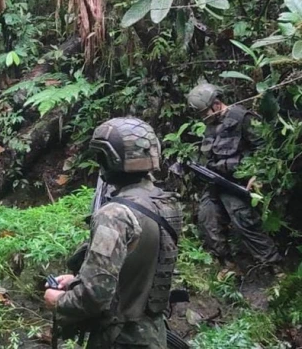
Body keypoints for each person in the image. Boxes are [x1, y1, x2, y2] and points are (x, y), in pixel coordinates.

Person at [44, 118, 182, 349]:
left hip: (119, 337)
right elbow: (135, 270)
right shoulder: (165, 204)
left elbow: (95, 296)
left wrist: (59, 300)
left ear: (111, 159)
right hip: (153, 334)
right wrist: (77, 280)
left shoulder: (115, 214)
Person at [186, 83, 281, 273]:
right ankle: (228, 265)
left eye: (205, 112)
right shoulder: (210, 126)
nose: (203, 117)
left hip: (237, 182)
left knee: (243, 220)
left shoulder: (242, 118)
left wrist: (257, 174)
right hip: (216, 182)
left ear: (217, 103)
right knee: (206, 218)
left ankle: (274, 266)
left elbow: (263, 147)